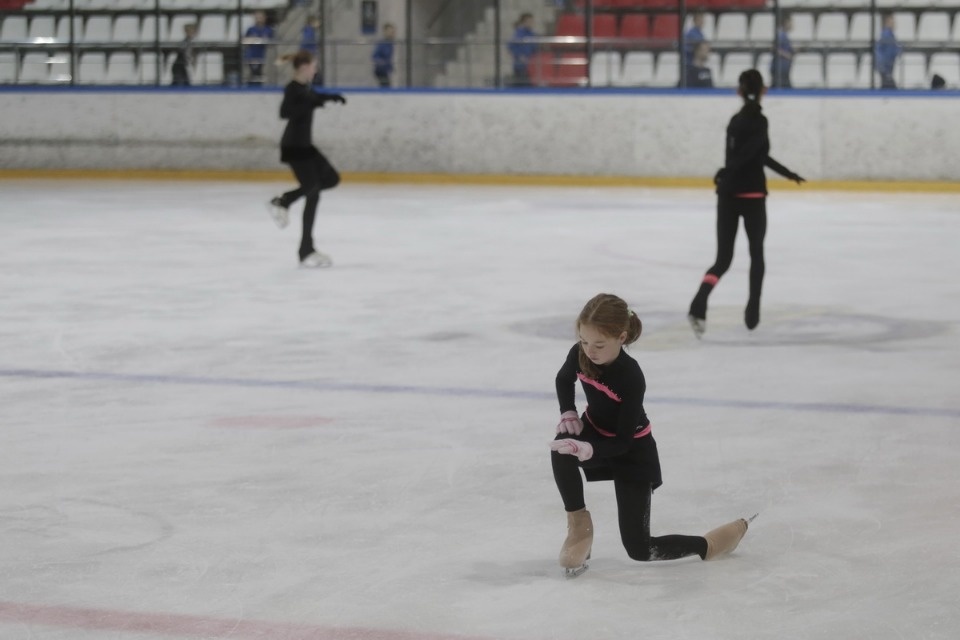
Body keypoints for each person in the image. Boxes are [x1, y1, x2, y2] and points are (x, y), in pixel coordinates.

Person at [551, 293, 753, 578]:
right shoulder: (581, 352)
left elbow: (622, 442)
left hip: (633, 451)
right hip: (595, 431)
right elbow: (563, 378)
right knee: (561, 448)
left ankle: (707, 545)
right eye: (583, 341)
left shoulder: (630, 376)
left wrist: (589, 451)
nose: (589, 350)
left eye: (599, 344)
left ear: (621, 338)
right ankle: (579, 528)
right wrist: (568, 412)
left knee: (639, 548)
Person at [687, 70, 805, 337]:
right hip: (752, 195)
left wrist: (727, 173)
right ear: (763, 90)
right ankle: (753, 309)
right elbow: (756, 155)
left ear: (739, 91)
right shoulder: (760, 121)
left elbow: (743, 156)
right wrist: (787, 174)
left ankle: (699, 303)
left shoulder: (735, 121)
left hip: (728, 195)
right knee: (756, 254)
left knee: (723, 260)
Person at [268, 51, 346, 268]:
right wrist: (311, 104)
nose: (315, 70)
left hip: (304, 146)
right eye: (313, 66)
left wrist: (329, 97)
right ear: (303, 67)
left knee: (330, 179)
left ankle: (285, 201)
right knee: (312, 190)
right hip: (294, 146)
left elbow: (311, 98)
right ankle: (306, 250)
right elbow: (285, 112)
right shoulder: (292, 88)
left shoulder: (305, 88)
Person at [244, 11, 274, 86]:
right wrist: (252, 40)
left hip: (264, 56)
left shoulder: (268, 30)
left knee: (262, 76)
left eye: (260, 17)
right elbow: (245, 40)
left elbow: (272, 42)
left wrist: (265, 41)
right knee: (253, 75)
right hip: (252, 56)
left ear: (264, 18)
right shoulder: (251, 29)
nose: (259, 19)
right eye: (257, 18)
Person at [508, 13, 537, 87]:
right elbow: (511, 46)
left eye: (532, 21)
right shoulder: (519, 33)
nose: (531, 23)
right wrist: (519, 56)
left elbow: (534, 47)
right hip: (521, 64)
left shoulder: (531, 33)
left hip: (529, 64)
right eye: (529, 21)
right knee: (521, 84)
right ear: (524, 22)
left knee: (528, 84)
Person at [875, 12, 901, 90]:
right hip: (886, 70)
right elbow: (882, 52)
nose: (894, 23)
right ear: (887, 22)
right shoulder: (886, 35)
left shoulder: (889, 35)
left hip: (887, 69)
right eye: (892, 21)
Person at [770, 13, 793, 89]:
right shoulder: (781, 34)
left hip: (784, 68)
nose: (792, 24)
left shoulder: (785, 35)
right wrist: (786, 55)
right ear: (786, 22)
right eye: (790, 22)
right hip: (779, 68)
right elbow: (774, 48)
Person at [300, 14, 324, 85]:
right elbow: (307, 42)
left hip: (309, 55)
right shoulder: (309, 31)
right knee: (314, 74)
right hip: (309, 56)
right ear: (312, 22)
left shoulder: (309, 30)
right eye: (317, 21)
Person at [372, 23, 395, 88]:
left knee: (386, 85)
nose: (392, 33)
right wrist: (381, 62)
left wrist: (390, 67)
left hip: (385, 70)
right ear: (385, 32)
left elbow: (389, 58)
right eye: (390, 31)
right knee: (386, 86)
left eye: (393, 32)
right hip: (380, 70)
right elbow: (375, 56)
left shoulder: (390, 44)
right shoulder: (382, 44)